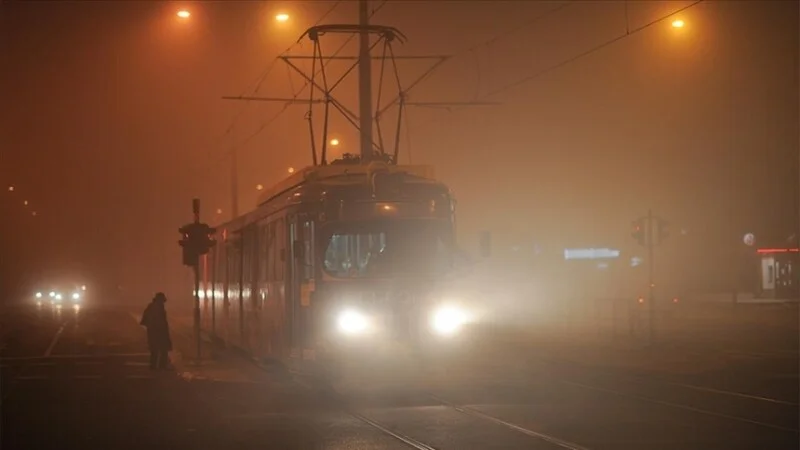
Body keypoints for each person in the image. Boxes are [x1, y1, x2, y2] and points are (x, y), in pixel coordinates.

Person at [139, 292, 172, 370]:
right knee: (162, 349)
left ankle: (154, 366)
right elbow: (161, 321)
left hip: (153, 331)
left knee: (155, 350)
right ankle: (162, 366)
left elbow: (145, 320)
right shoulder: (158, 308)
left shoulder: (151, 307)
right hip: (159, 331)